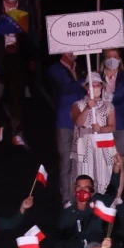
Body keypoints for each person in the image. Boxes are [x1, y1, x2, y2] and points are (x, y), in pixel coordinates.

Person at [0, 0, 33, 147]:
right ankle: (0, 123)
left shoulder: (25, 9)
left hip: (18, 58)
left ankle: (16, 132)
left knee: (17, 97)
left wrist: (32, 57)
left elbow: (32, 34)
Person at [48, 54, 87, 201]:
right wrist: (87, 80)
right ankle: (67, 199)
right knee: (66, 162)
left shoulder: (81, 68)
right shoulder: (55, 69)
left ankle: (79, 196)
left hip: (82, 121)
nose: (73, 52)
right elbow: (66, 87)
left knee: (80, 162)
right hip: (65, 122)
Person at [71, 73, 117, 193]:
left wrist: (100, 129)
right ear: (86, 87)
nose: (95, 88)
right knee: (84, 177)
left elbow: (112, 127)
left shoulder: (108, 105)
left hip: (102, 145)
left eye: (98, 85)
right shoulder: (78, 105)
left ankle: (101, 200)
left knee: (103, 178)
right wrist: (87, 108)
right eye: (92, 85)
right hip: (85, 146)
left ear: (102, 87)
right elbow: (78, 123)